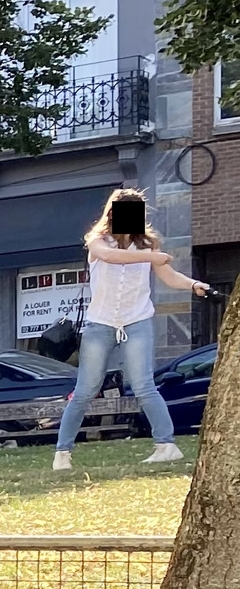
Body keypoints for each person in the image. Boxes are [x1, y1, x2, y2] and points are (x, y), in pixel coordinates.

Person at [58, 188, 212, 470]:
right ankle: (62, 453)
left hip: (137, 320)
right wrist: (152, 258)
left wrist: (193, 284)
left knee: (144, 386)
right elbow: (111, 258)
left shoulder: (148, 246)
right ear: (113, 214)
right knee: (86, 390)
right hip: (101, 323)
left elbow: (169, 276)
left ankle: (166, 445)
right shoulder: (98, 241)